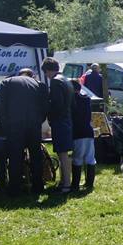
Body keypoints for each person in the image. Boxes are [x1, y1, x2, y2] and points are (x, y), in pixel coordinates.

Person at [0, 68, 49, 196]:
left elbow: (0, 105)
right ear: (32, 76)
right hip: (34, 124)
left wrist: (4, 125)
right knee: (36, 155)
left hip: (14, 125)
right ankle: (38, 186)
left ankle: (15, 188)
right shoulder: (39, 84)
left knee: (15, 156)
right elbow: (45, 106)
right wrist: (38, 120)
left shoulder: (7, 82)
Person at [42, 57, 75, 193]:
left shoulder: (55, 82)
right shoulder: (66, 80)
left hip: (59, 121)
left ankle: (66, 184)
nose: (46, 76)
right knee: (64, 153)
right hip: (67, 119)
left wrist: (48, 113)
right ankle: (64, 181)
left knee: (62, 154)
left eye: (46, 73)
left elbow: (56, 103)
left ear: (48, 70)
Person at [69, 79, 96, 193]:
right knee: (90, 158)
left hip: (78, 132)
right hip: (88, 131)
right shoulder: (86, 99)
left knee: (77, 158)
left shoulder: (71, 101)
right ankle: (89, 183)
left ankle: (75, 184)